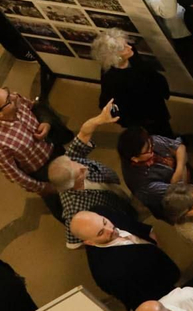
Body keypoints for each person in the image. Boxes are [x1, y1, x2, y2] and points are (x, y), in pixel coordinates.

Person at [0, 85, 71, 212]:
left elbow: (35, 108)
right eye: (8, 100)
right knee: (60, 204)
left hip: (53, 147)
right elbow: (14, 174)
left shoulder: (14, 98)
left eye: (7, 93)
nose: (13, 97)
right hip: (42, 170)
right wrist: (43, 188)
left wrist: (46, 122)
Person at [48, 101, 132, 246]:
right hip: (111, 213)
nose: (83, 166)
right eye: (79, 171)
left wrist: (100, 119)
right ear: (72, 184)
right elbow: (73, 244)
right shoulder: (73, 211)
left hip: (113, 191)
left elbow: (84, 133)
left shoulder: (70, 160)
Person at [70, 209, 181, 311]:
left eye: (105, 222)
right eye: (100, 233)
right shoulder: (110, 273)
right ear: (90, 243)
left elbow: (132, 224)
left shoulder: (102, 212)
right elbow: (142, 298)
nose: (111, 230)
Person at [94, 32, 173, 137]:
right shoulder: (112, 77)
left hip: (154, 103)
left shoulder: (131, 54)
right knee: (155, 133)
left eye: (126, 43)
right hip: (141, 114)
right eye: (124, 48)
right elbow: (111, 100)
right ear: (116, 57)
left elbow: (146, 73)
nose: (129, 47)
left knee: (164, 127)